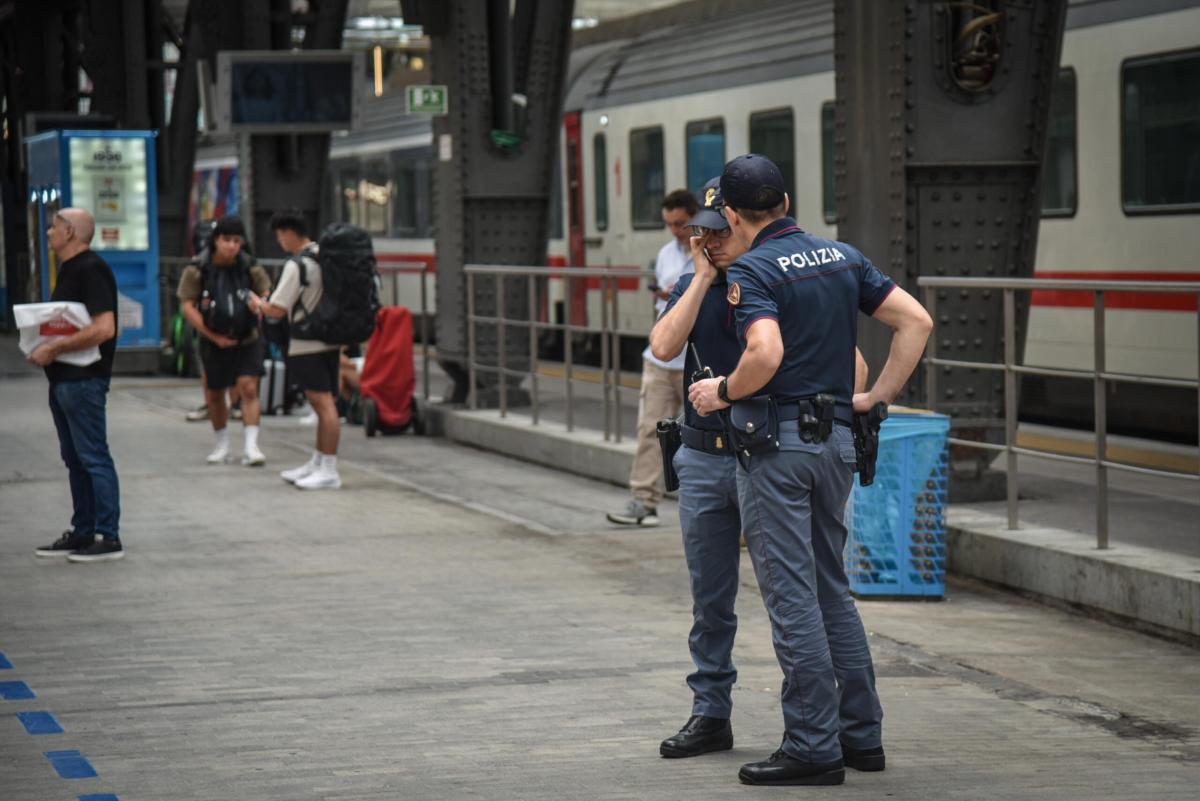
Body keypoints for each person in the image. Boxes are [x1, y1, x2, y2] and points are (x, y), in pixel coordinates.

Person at [689, 154, 932, 786]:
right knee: (832, 590)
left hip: (779, 451)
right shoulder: (843, 257)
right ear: (788, 201)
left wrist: (724, 392)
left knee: (791, 596)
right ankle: (861, 737)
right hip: (838, 445)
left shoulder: (754, 269)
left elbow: (764, 353)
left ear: (736, 216)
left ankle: (812, 746)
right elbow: (916, 321)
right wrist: (876, 397)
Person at [651, 178, 868, 761]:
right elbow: (663, 345)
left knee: (797, 596)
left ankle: (820, 733)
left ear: (743, 225)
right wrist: (699, 279)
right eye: (703, 231)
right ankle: (710, 711)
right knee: (711, 598)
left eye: (721, 230)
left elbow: (852, 365)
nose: (711, 241)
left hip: (766, 452)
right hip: (703, 456)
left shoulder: (777, 283)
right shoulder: (700, 284)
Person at [30, 208, 124, 562]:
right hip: (64, 380)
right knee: (75, 458)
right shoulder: (70, 269)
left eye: (54, 227)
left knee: (93, 456)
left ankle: (108, 536)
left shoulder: (91, 269)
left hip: (84, 381)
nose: (49, 232)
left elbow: (104, 328)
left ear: (70, 232)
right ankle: (83, 530)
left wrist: (54, 347)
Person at [606, 189, 698, 527]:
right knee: (649, 429)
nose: (675, 230)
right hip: (660, 360)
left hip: (695, 362)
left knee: (706, 438)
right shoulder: (665, 254)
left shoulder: (711, 251)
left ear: (695, 217)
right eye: (670, 224)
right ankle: (643, 501)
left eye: (681, 223)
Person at [251, 209, 342, 490]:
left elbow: (277, 309)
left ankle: (329, 469)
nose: (280, 241)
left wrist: (256, 303)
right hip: (330, 339)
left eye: (279, 235)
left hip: (306, 342)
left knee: (323, 404)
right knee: (323, 403)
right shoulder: (324, 254)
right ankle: (318, 461)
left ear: (289, 232)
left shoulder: (298, 264)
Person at [177, 216, 272, 466]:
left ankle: (252, 447)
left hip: (247, 337)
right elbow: (187, 306)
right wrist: (213, 337)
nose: (232, 246)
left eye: (237, 241)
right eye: (227, 240)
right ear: (216, 240)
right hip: (213, 340)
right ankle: (222, 445)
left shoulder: (250, 265)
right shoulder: (198, 267)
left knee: (249, 387)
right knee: (215, 393)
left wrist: (259, 302)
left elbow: (265, 291)